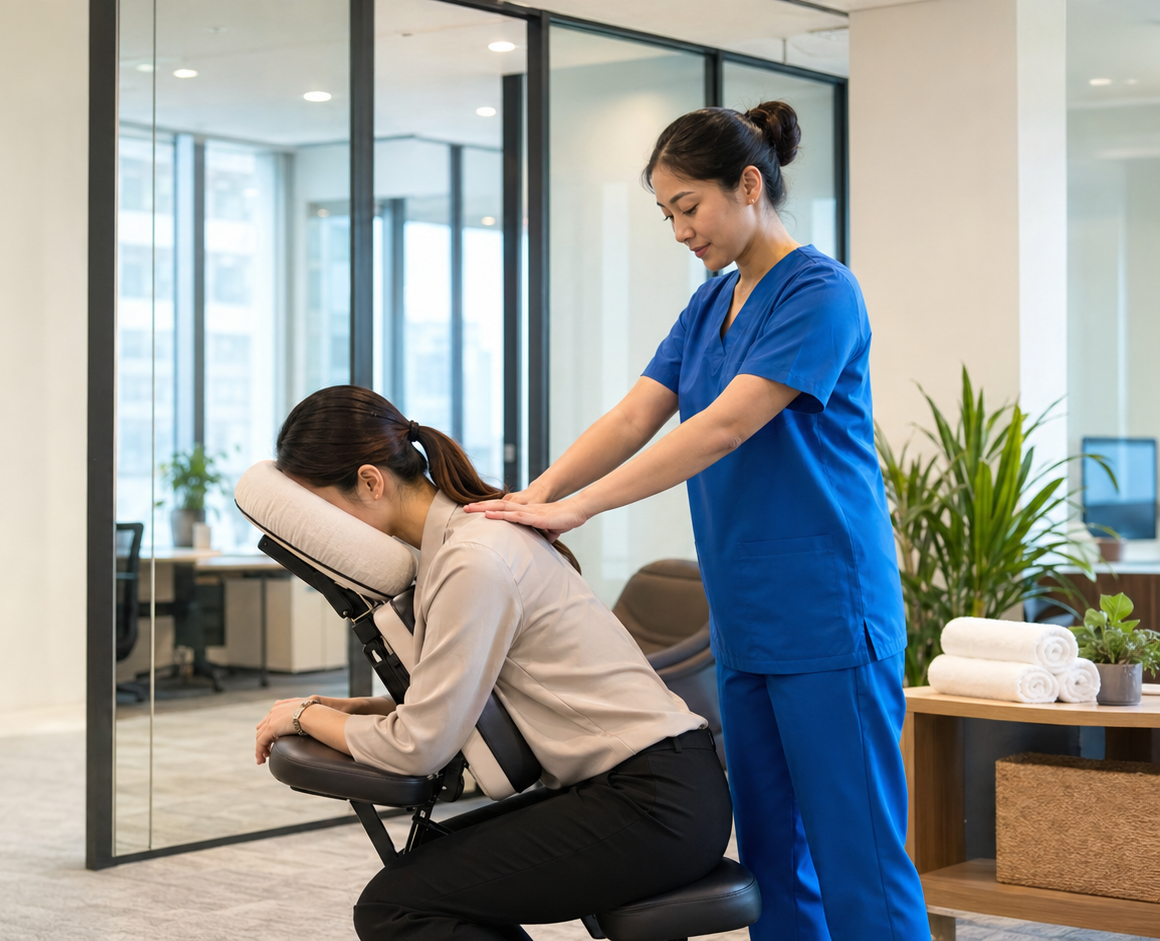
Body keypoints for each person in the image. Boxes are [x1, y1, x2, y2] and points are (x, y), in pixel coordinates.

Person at [465, 101, 930, 941]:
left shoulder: (821, 292)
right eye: (666, 214)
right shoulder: (710, 304)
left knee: (858, 856)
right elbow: (633, 416)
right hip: (745, 620)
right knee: (771, 858)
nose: (681, 231)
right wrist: (537, 496)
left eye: (689, 207)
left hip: (828, 614)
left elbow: (724, 425)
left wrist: (579, 507)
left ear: (749, 185)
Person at [252, 385, 732, 941]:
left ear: (369, 481)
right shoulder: (463, 543)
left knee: (397, 907)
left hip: (653, 802)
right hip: (649, 789)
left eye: (320, 508)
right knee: (423, 872)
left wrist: (305, 716)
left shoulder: (472, 559)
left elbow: (419, 746)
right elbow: (456, 699)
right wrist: (350, 709)